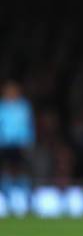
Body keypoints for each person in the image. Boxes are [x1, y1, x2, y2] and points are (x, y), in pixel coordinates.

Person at [0, 80, 36, 216]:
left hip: (21, 144)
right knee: (6, 170)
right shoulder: (2, 107)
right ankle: (6, 199)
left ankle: (24, 199)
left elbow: (29, 125)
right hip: (5, 144)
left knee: (21, 171)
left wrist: (29, 140)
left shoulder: (23, 106)